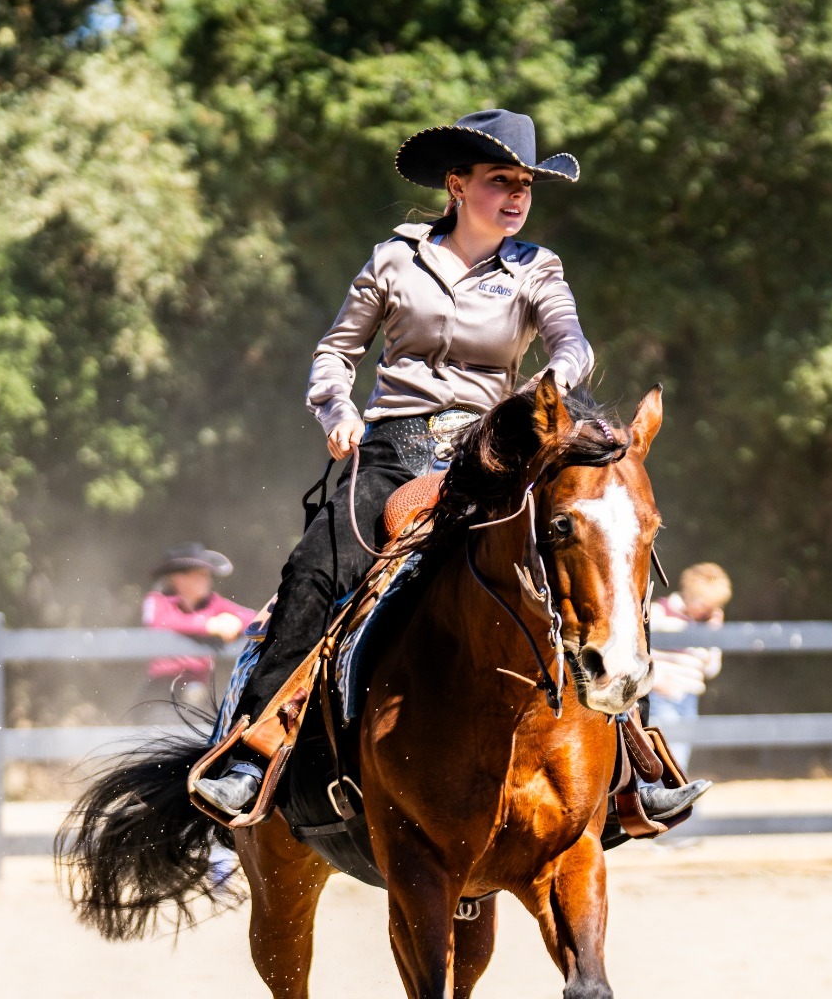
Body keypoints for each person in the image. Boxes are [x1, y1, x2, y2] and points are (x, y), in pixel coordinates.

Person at [193, 107, 709, 825]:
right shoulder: (394, 260)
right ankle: (254, 750)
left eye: (526, 183)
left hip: (492, 454)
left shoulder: (538, 268)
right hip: (392, 448)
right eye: (501, 180)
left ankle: (635, 762)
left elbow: (572, 341)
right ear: (458, 184)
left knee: (600, 556)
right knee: (315, 570)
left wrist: (556, 381)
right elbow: (336, 352)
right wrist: (336, 409)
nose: (518, 195)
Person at [141, 544, 254, 719]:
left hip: (200, 689)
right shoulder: (157, 601)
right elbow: (159, 623)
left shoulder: (213, 602)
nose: (207, 580)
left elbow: (252, 619)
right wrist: (208, 625)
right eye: (200, 575)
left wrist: (237, 622)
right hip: (162, 688)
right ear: (179, 578)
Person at [647, 562, 732, 773]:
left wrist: (713, 635)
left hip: (689, 698)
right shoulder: (660, 612)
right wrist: (657, 681)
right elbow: (641, 653)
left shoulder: (705, 625)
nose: (708, 611)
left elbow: (711, 669)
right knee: (672, 757)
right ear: (691, 595)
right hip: (662, 696)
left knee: (680, 753)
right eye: (705, 604)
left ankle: (672, 798)